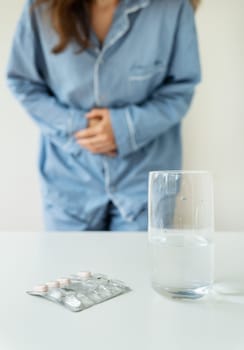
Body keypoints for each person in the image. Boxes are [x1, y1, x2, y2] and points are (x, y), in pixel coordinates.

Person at [6, 0, 201, 231]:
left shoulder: (173, 7)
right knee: (69, 266)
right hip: (68, 183)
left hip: (145, 182)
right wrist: (80, 126)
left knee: (139, 267)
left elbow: (180, 90)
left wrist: (125, 127)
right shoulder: (40, 8)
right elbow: (23, 82)